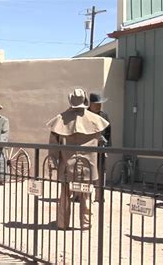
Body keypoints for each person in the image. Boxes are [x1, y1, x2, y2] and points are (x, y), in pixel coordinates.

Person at [47, 88, 109, 230]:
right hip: (88, 164)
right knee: (86, 195)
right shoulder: (95, 120)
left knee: (65, 195)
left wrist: (53, 160)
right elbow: (101, 140)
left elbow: (53, 144)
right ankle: (85, 224)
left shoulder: (61, 119)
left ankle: (62, 224)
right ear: (85, 99)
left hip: (67, 165)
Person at [87, 92, 111, 202]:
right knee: (86, 172)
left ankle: (99, 196)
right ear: (90, 104)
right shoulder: (84, 114)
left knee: (101, 171)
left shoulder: (104, 115)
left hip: (101, 148)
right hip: (88, 148)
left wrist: (108, 146)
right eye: (96, 104)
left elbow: (109, 131)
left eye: (100, 104)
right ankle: (82, 195)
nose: (98, 106)